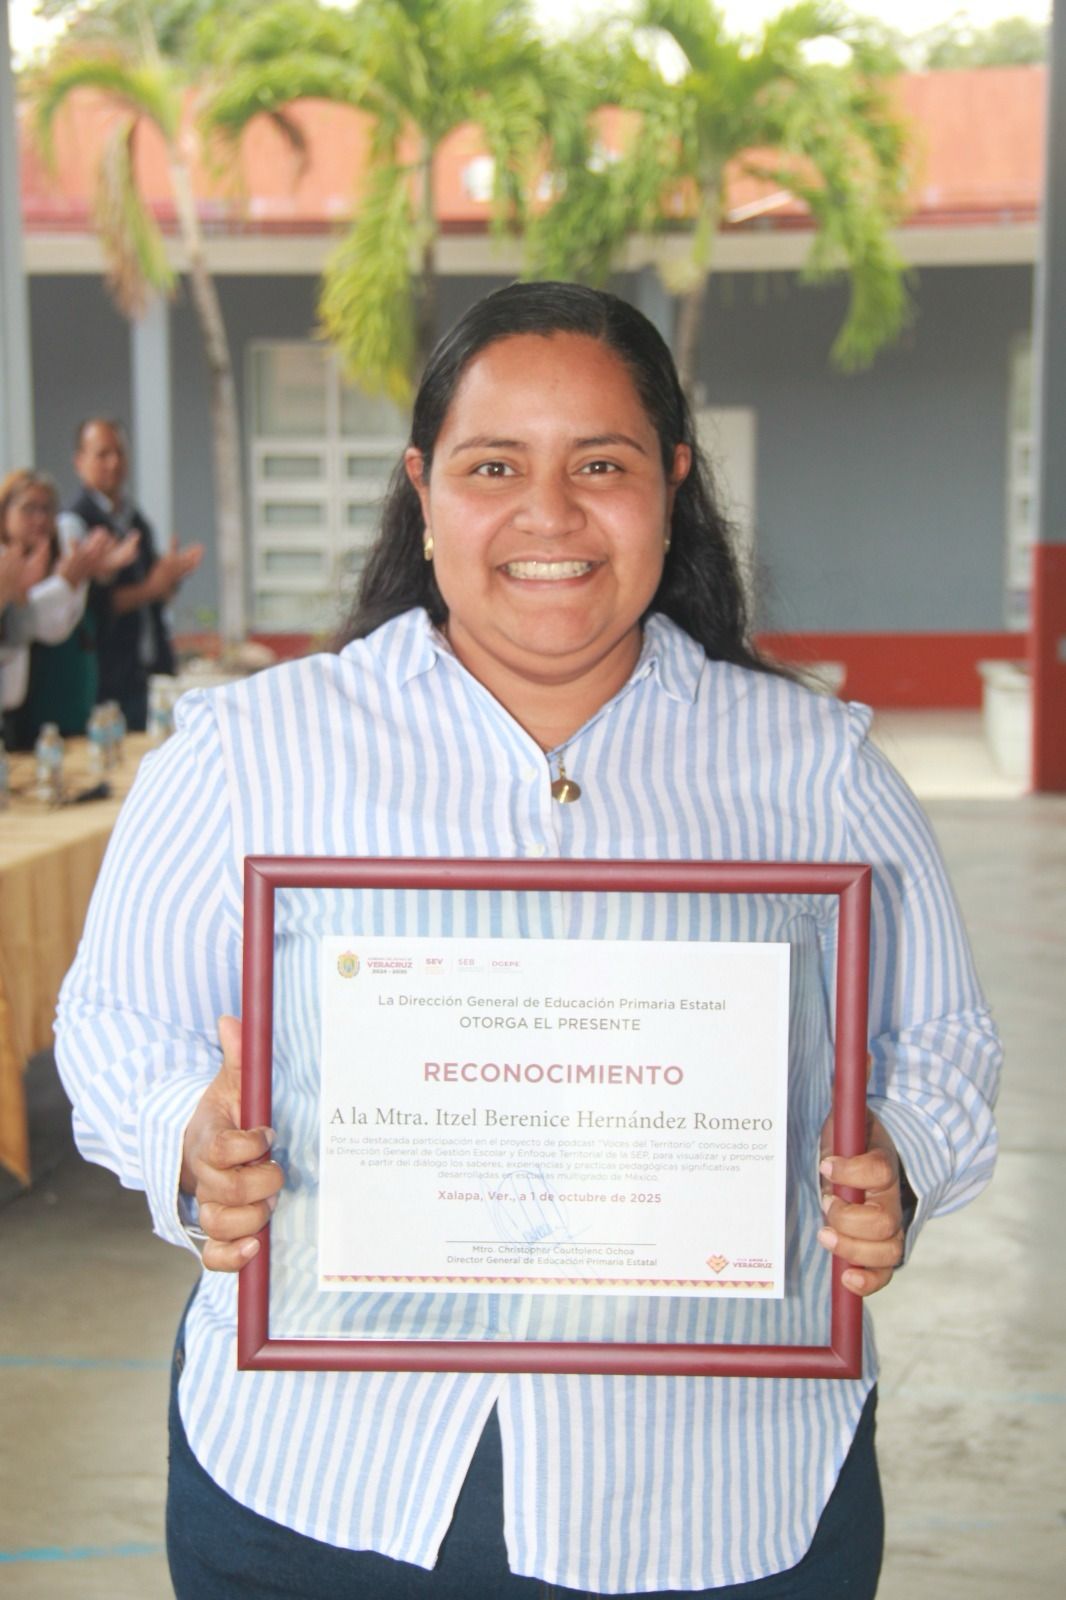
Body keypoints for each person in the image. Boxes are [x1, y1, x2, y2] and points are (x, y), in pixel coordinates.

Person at [55, 284, 1001, 1599]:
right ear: (422, 491)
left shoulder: (813, 767)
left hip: (720, 1496)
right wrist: (187, 1138)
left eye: (600, 466)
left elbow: (940, 1040)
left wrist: (894, 1161)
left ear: (670, 485)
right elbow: (113, 1023)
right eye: (492, 466)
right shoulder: (249, 752)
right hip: (321, 1485)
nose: (547, 515)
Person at [68, 418, 204, 732]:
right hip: (102, 680)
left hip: (141, 673)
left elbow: (155, 589)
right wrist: (152, 587)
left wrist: (170, 577)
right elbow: (91, 606)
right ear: (80, 461)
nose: (114, 463)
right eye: (103, 454)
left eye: (119, 453)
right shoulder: (75, 522)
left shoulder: (133, 518)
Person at [0, 468, 137, 743]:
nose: (40, 519)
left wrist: (84, 577)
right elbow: (32, 628)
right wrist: (64, 584)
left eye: (47, 509)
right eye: (28, 509)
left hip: (64, 707)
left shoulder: (60, 558)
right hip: (26, 716)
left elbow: (58, 625)